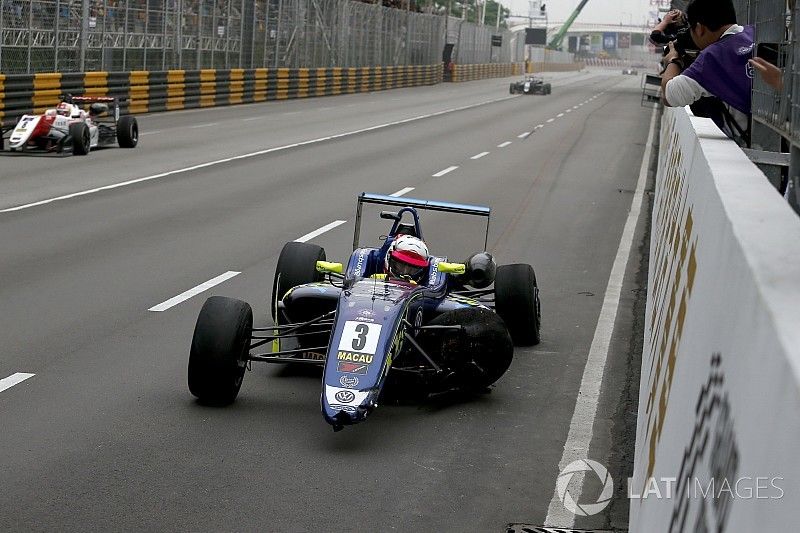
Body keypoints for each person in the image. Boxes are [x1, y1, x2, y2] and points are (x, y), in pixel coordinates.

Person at [661, 0, 753, 145]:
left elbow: (668, 95)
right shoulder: (754, 33)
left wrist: (674, 59)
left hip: (754, 147)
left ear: (699, 29)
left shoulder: (711, 58)